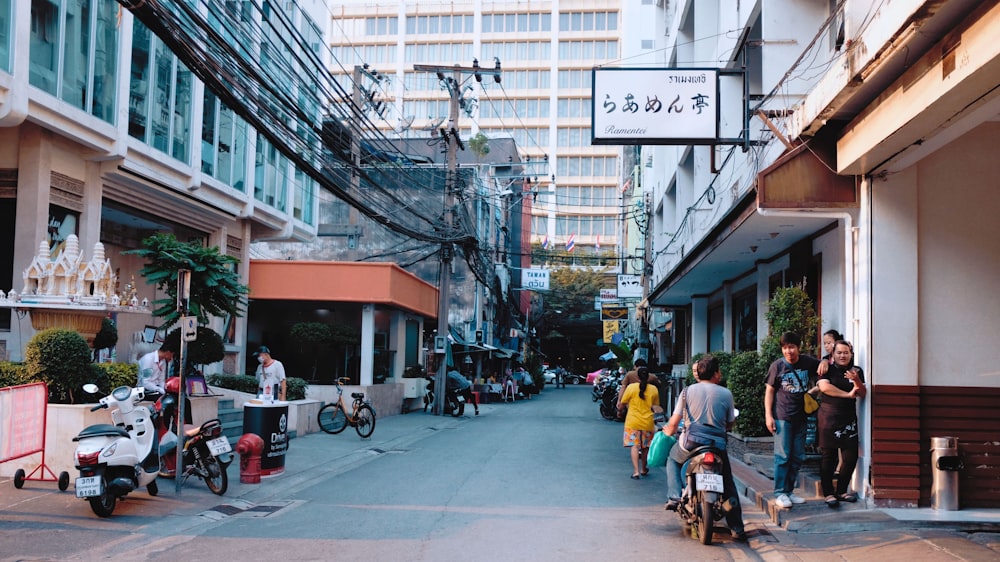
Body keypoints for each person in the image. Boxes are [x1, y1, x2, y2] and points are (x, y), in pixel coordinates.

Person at [662, 355, 747, 541]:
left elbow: (674, 422)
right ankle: (737, 528)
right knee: (728, 483)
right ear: (716, 373)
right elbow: (730, 423)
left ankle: (674, 496)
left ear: (699, 374)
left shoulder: (687, 391)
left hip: (691, 442)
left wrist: (667, 430)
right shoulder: (726, 393)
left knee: (673, 460)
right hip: (717, 444)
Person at [764, 331, 823, 509]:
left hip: (802, 417)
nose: (788, 351)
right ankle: (780, 493)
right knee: (782, 456)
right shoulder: (777, 366)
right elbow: (769, 391)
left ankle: (789, 491)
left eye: (791, 347)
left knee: (797, 456)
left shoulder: (808, 362)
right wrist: (768, 415)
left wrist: (826, 361)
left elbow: (823, 369)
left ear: (799, 347)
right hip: (782, 416)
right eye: (784, 348)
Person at [817, 340, 866, 507]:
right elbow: (824, 388)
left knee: (850, 456)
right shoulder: (826, 369)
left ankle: (842, 490)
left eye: (846, 352)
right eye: (839, 353)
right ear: (833, 355)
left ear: (851, 354)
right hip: (828, 417)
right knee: (828, 457)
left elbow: (863, 393)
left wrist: (857, 381)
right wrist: (848, 394)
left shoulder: (857, 371)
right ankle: (828, 493)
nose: (842, 355)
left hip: (848, 417)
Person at [617, 366, 660, 479]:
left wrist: (620, 409)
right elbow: (655, 407)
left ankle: (636, 472)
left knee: (635, 446)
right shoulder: (653, 390)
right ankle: (643, 469)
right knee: (645, 447)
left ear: (637, 376)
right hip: (647, 422)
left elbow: (622, 403)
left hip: (632, 422)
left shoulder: (631, 388)